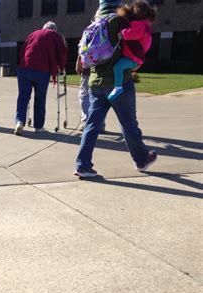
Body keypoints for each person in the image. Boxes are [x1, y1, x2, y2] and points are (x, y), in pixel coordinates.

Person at [74, 0, 157, 178]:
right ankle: (142, 159)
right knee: (128, 124)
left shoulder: (94, 24)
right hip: (118, 82)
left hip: (96, 83)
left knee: (91, 125)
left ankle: (82, 165)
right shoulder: (120, 22)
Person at [13, 21, 67, 136]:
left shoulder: (33, 34)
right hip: (42, 70)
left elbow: (23, 51)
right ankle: (38, 127)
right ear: (55, 30)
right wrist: (61, 68)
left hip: (25, 68)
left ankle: (19, 121)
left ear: (44, 28)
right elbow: (62, 53)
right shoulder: (56, 36)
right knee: (40, 98)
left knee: (23, 96)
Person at [108, 1, 156, 100]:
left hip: (134, 57)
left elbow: (134, 34)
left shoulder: (139, 25)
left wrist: (122, 33)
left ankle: (118, 87)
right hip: (136, 57)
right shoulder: (145, 25)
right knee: (120, 66)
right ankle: (118, 86)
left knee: (118, 66)